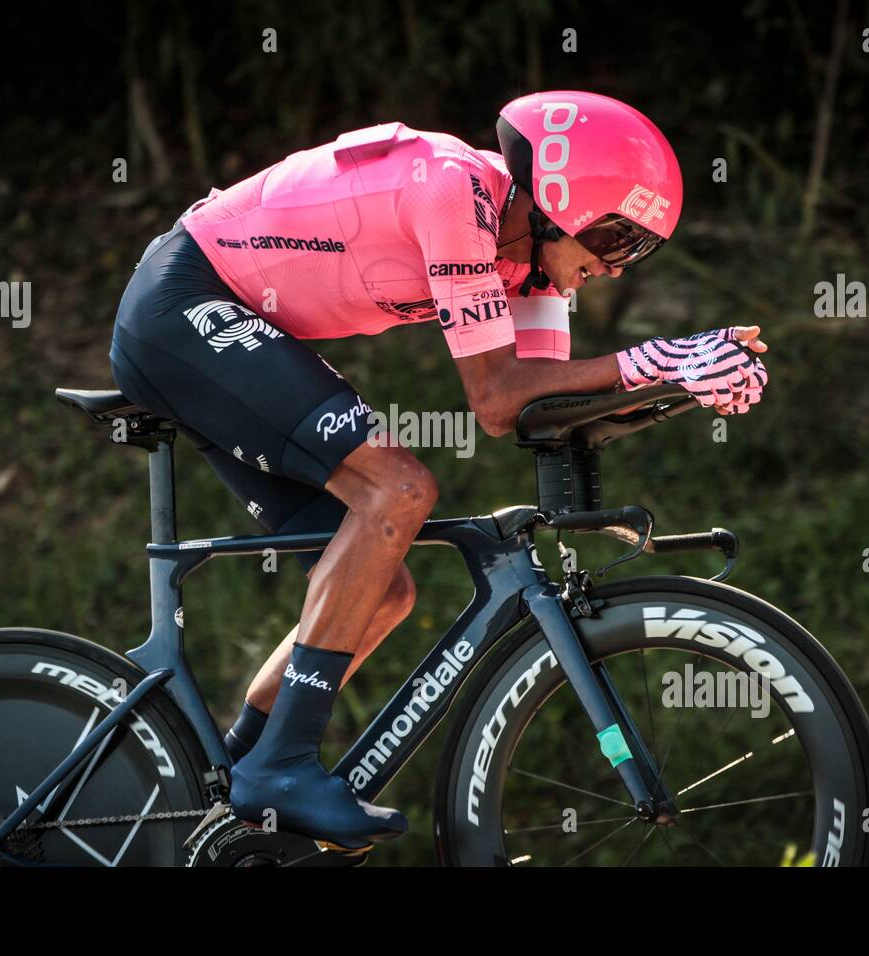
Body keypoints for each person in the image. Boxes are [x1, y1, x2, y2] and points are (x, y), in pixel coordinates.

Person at [108, 90, 769, 850]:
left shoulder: (534, 271)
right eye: (617, 238)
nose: (617, 268)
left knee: (382, 589)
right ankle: (281, 767)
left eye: (638, 251)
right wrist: (654, 356)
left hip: (230, 323)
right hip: (184, 301)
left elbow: (543, 415)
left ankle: (233, 778)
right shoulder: (455, 190)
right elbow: (495, 398)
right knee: (401, 489)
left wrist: (675, 388)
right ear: (561, 200)